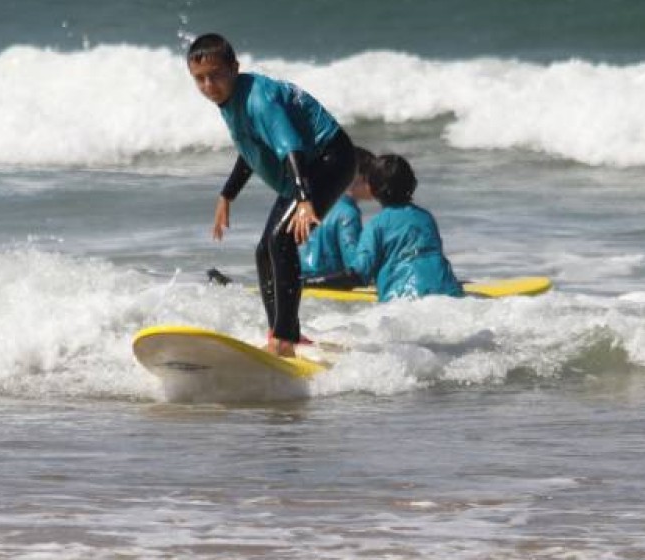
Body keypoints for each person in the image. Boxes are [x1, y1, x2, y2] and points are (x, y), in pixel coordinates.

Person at [186, 33, 356, 357]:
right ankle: (282, 331)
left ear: (234, 68)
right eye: (200, 79)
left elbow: (290, 146)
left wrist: (305, 199)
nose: (209, 85)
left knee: (281, 241)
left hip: (329, 160)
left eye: (216, 75)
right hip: (303, 169)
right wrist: (227, 195)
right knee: (265, 250)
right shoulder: (231, 100)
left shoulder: (259, 99)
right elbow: (251, 149)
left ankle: (285, 339)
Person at [339, 153, 465, 302]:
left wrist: (317, 281)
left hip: (402, 300)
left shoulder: (376, 225)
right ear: (412, 183)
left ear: (372, 188)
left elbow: (360, 272)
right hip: (448, 293)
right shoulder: (426, 218)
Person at [299, 146, 375, 281]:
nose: (378, 183)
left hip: (300, 279)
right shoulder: (348, 213)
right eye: (374, 177)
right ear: (357, 177)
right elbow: (353, 265)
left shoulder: (312, 204)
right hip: (328, 284)